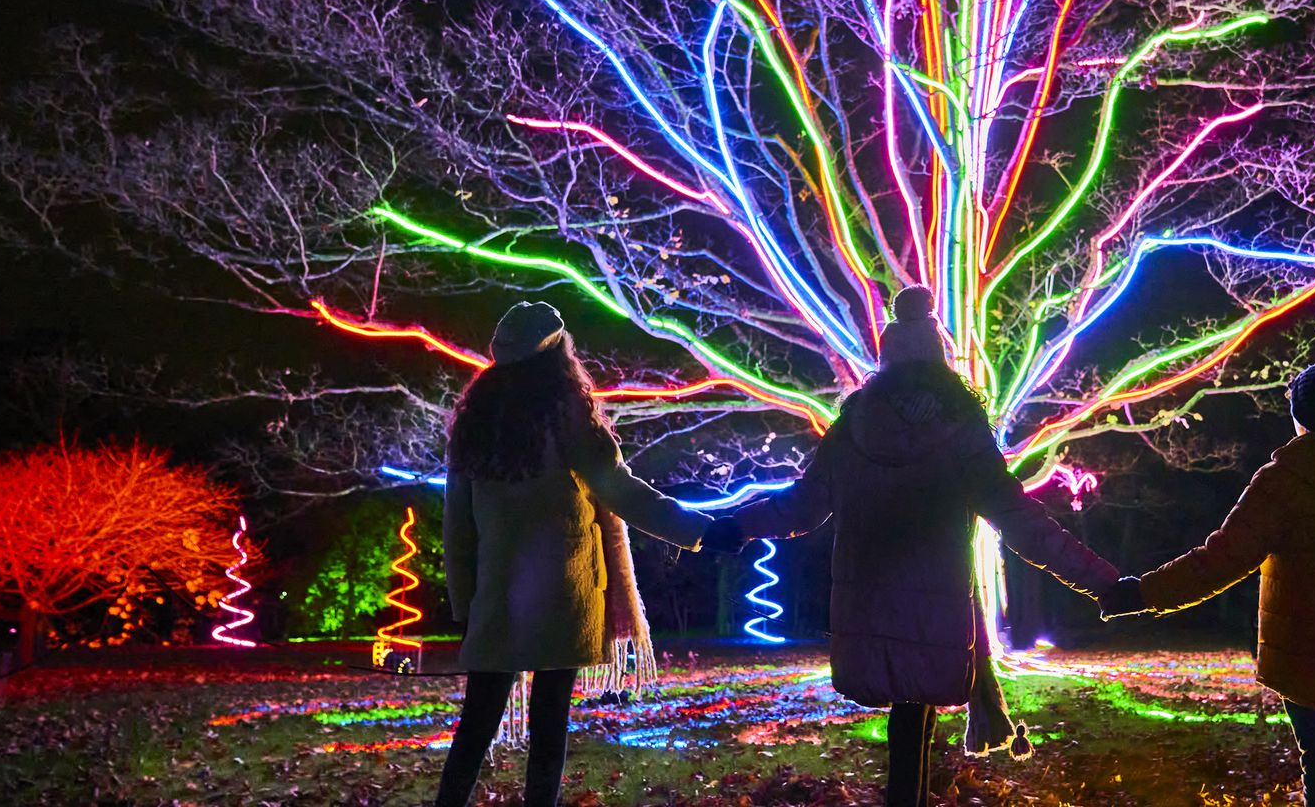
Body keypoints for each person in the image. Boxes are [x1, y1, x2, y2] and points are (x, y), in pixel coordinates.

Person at [705, 287, 1127, 807]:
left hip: (868, 604)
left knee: (905, 727)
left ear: (886, 359)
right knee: (914, 721)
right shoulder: (962, 434)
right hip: (936, 607)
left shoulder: (852, 430)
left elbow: (800, 507)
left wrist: (731, 527)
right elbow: (1022, 521)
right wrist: (1102, 581)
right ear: (940, 360)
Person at [1101, 360, 1315, 807]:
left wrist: (1143, 593)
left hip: (1306, 648)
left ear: (1300, 417)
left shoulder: (1284, 480)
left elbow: (1222, 558)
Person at [433, 301, 712, 807]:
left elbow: (458, 527)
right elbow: (623, 492)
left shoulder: (474, 427)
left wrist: (465, 603)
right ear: (558, 353)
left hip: (497, 599)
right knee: (549, 722)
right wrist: (702, 530)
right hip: (563, 594)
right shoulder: (569, 419)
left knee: (476, 723)